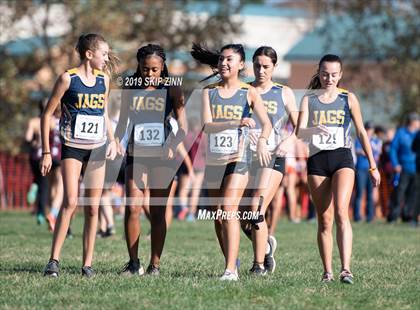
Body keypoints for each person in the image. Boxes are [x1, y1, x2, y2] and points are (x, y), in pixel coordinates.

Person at [296, 54, 380, 284]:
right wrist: (314, 130)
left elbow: (362, 132)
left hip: (342, 158)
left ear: (340, 75)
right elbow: (299, 132)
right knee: (325, 219)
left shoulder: (348, 98)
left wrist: (373, 166)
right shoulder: (309, 99)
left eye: (334, 74)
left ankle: (346, 269)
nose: (329, 78)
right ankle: (327, 272)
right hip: (317, 161)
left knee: (342, 211)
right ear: (319, 72)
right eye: (325, 73)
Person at [191, 43, 272, 281]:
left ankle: (230, 271)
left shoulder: (248, 92)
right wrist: (234, 123)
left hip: (239, 158)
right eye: (221, 60)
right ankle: (232, 262)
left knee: (228, 209)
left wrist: (261, 141)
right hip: (215, 159)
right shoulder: (209, 92)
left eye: (229, 60)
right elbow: (206, 125)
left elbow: (266, 124)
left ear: (240, 65)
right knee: (218, 215)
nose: (224, 64)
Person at [41, 33, 118, 277]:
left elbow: (103, 112)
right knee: (71, 202)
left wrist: (113, 139)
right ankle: (54, 260)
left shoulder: (104, 80)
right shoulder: (67, 78)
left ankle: (87, 265)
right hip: (72, 146)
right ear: (89, 54)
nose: (106, 58)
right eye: (103, 54)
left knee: (93, 208)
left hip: (96, 147)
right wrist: (45, 152)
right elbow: (47, 115)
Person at [115, 44, 186, 276]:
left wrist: (172, 145)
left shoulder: (172, 89)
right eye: (146, 69)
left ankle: (155, 265)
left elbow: (183, 128)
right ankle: (134, 263)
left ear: (163, 66)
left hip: (162, 157)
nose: (150, 74)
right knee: (133, 207)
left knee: (157, 211)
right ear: (139, 66)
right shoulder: (130, 86)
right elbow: (122, 121)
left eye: (155, 69)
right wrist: (116, 140)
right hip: (136, 154)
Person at [239, 46, 297, 275]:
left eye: (266, 66)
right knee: (240, 215)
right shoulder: (243, 90)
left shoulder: (284, 92)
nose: (261, 70)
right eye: (257, 66)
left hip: (273, 156)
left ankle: (259, 266)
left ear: (274, 67)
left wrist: (288, 141)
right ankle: (265, 250)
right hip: (245, 157)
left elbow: (299, 125)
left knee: (256, 206)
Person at [387, 112, 419, 223]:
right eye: (417, 121)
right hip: (403, 168)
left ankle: (408, 216)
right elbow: (393, 149)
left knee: (413, 194)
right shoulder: (401, 133)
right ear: (412, 122)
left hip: (416, 169)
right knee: (399, 193)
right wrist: (395, 164)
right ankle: (393, 216)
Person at [353, 121, 382, 222]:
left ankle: (370, 216)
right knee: (360, 193)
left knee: (370, 193)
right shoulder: (360, 138)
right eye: (368, 129)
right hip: (361, 168)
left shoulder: (376, 141)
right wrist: (366, 152)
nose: (370, 131)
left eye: (371, 129)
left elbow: (378, 152)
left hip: (372, 170)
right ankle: (357, 216)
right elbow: (357, 151)